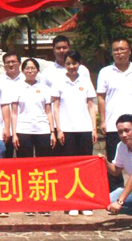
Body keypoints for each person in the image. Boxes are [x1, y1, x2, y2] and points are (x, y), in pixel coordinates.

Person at [97, 38, 132, 191]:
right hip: (113, 126)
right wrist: (102, 121)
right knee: (114, 164)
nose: (119, 52)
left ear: (129, 51)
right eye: (116, 49)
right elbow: (101, 98)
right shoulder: (105, 72)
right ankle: (116, 193)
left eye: (122, 49)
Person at [52, 50, 97, 216]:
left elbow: (91, 106)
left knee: (85, 166)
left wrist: (93, 128)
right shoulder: (59, 81)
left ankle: (85, 202)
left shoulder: (85, 81)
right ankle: (71, 201)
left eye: (74, 63)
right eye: (68, 64)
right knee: (69, 167)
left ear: (79, 64)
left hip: (84, 128)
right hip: (67, 130)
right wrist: (59, 129)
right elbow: (56, 107)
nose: (71, 67)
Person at [12, 58, 55, 217]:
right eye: (27, 68)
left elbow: (49, 111)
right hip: (24, 130)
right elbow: (14, 112)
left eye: (33, 68)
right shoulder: (17, 87)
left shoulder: (44, 88)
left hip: (42, 130)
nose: (30, 71)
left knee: (43, 167)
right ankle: (28, 201)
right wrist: (14, 133)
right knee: (26, 166)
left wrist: (52, 131)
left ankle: (44, 201)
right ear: (23, 71)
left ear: (37, 70)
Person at [41, 36, 90, 156]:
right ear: (53, 49)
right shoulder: (47, 72)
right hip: (59, 125)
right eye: (58, 48)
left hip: (81, 124)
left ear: (69, 48)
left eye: (64, 47)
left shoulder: (83, 70)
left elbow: (88, 98)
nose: (61, 51)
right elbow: (45, 99)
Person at [1, 52, 24, 159]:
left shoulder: (27, 80)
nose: (10, 64)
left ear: (19, 63)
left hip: (23, 127)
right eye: (8, 62)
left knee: (23, 160)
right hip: (4, 128)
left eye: (13, 62)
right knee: (5, 160)